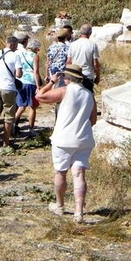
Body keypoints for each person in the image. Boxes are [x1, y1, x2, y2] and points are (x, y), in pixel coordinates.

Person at [35, 64, 97, 223]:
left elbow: (40, 96)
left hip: (63, 139)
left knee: (61, 172)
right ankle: (79, 212)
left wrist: (51, 82)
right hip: (83, 138)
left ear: (66, 78)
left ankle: (60, 205)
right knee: (79, 174)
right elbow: (93, 120)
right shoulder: (89, 94)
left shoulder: (65, 91)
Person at [14, 38, 41, 137]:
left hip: (20, 81)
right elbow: (36, 71)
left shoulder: (19, 54)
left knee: (21, 106)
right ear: (35, 48)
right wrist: (38, 86)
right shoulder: (35, 56)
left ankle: (12, 125)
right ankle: (31, 128)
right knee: (32, 106)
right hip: (30, 81)